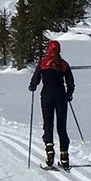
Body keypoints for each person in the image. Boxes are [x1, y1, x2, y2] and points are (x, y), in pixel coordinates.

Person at [28, 38, 75, 169]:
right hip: (61, 97)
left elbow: (35, 79)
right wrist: (69, 93)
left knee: (48, 124)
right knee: (62, 126)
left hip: (47, 96)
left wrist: (32, 86)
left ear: (48, 49)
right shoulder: (64, 64)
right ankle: (64, 157)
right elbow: (70, 81)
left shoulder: (43, 63)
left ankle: (49, 152)